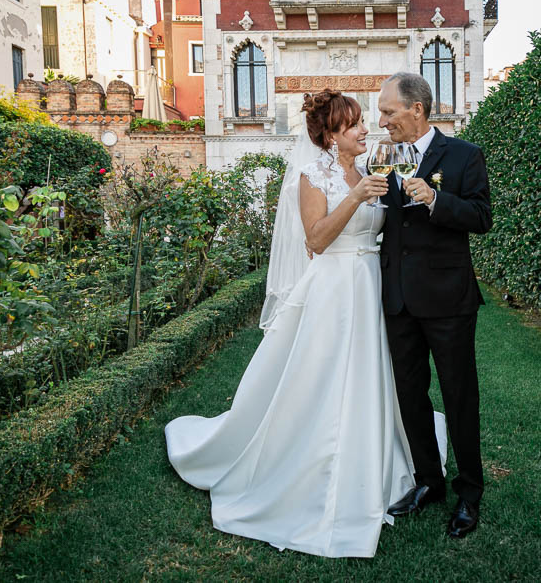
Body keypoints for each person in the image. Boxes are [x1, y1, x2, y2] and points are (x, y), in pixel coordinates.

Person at [164, 90, 415, 558]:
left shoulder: (367, 170)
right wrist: (357, 196)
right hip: (334, 289)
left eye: (363, 122)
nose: (365, 130)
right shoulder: (312, 176)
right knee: (320, 379)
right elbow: (317, 239)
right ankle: (307, 465)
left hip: (368, 287)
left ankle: (370, 463)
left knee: (366, 377)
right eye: (355, 125)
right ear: (331, 134)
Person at [376, 73, 492, 538]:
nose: (382, 120)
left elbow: (482, 217)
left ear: (417, 110)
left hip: (448, 300)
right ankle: (429, 481)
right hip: (398, 299)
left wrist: (438, 199)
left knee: (459, 396)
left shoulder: (465, 155)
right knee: (410, 395)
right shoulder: (384, 157)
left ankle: (469, 493)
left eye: (388, 112)